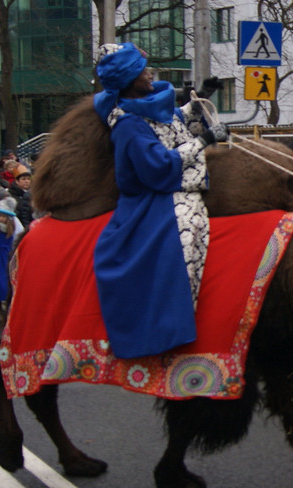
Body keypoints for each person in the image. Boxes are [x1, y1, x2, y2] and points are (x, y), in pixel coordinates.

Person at [91, 42, 227, 359]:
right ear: (128, 80)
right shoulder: (127, 125)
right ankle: (169, 328)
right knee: (189, 226)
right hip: (157, 196)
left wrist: (202, 101)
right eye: (142, 71)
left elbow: (175, 123)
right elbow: (158, 167)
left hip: (176, 183)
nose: (149, 73)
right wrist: (206, 140)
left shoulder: (150, 106)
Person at [7, 162, 33, 229]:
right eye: (23, 179)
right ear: (17, 181)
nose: (26, 181)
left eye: (28, 179)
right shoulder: (11, 194)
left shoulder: (33, 193)